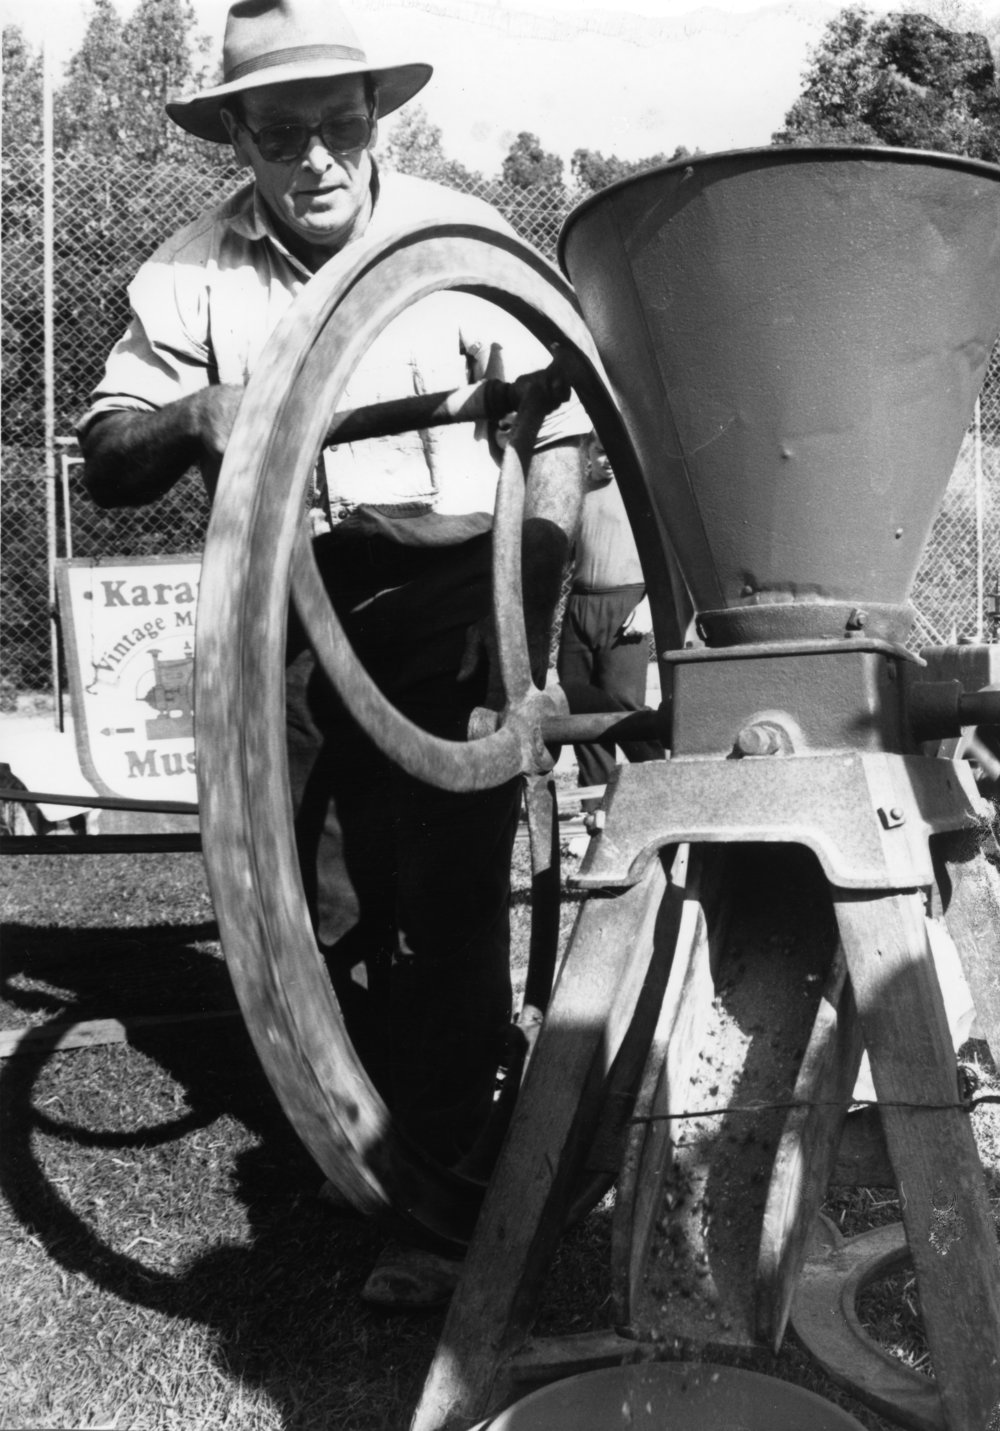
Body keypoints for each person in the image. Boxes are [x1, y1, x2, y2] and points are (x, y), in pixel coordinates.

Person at [78, 0, 589, 1308]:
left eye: (338, 127)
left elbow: (568, 442)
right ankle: (371, 1146)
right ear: (238, 139)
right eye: (281, 133)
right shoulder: (192, 274)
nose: (313, 159)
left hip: (457, 577)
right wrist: (194, 409)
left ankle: (448, 1179)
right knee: (323, 893)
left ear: (378, 122)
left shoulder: (456, 241)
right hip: (289, 595)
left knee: (448, 890)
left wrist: (523, 612)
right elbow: (109, 459)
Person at [557, 433, 663, 815]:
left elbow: (667, 556)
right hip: (581, 605)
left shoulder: (641, 493)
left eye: (613, 451)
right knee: (580, 710)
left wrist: (649, 606)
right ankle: (596, 810)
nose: (608, 460)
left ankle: (662, 791)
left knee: (623, 707)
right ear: (589, 453)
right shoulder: (577, 493)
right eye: (601, 451)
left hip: (626, 605)